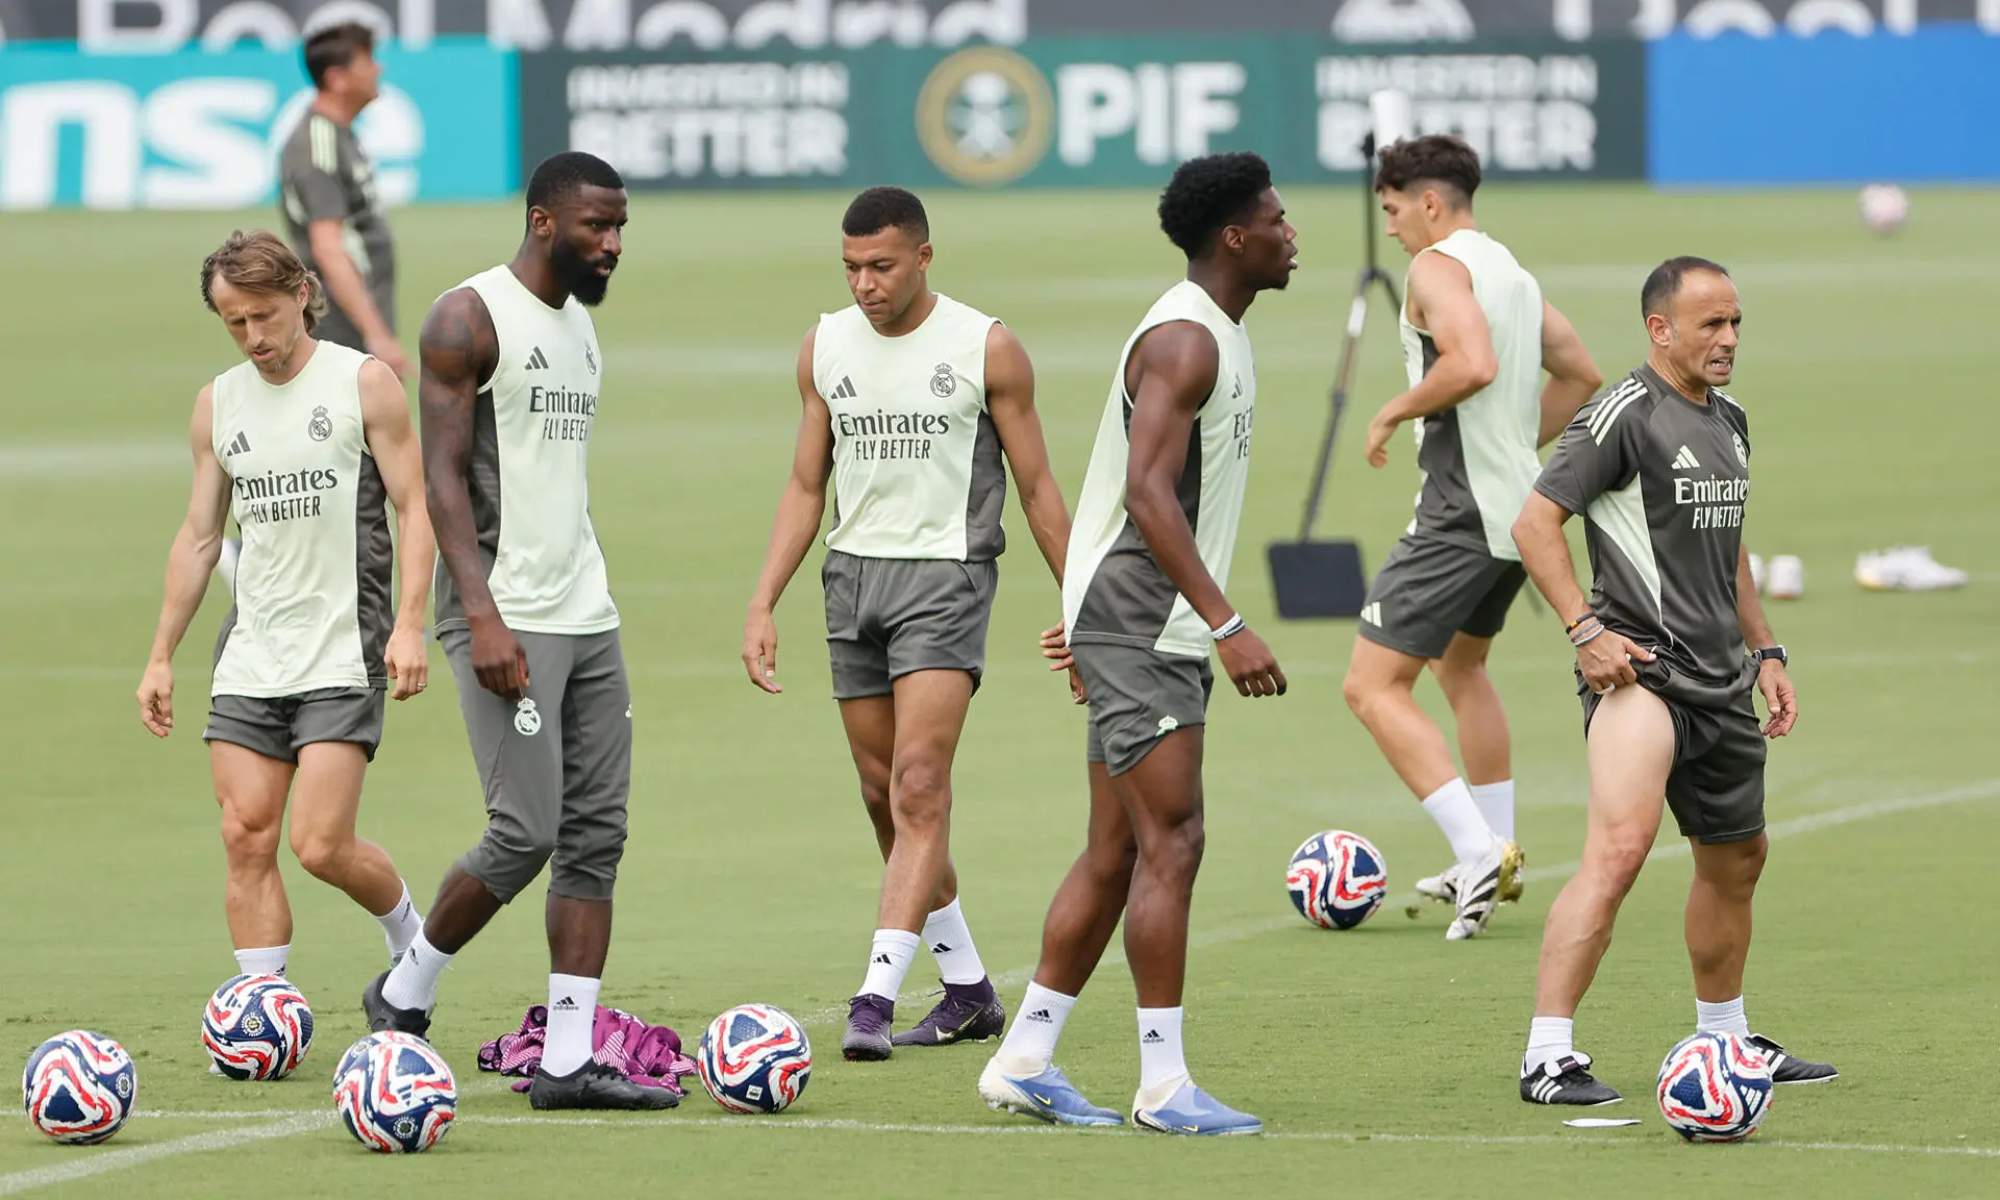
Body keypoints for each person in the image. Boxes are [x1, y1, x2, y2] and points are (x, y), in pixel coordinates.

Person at [977, 152, 1295, 1135]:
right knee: (1173, 840)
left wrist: (1088, 612)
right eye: (1276, 220)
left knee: (1116, 848)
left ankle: (1024, 1058)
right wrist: (1224, 621)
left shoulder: (1216, 334)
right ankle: (1161, 1085)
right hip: (1148, 621)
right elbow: (1147, 495)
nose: (1291, 234)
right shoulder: (1184, 343)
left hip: (1129, 616)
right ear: (1234, 237)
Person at [363, 152, 673, 1112]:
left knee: (596, 836)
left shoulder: (580, 328)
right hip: (506, 614)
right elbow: (442, 480)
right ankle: (404, 989)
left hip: (588, 610)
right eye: (596, 228)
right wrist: (481, 615)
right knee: (526, 829)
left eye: (620, 228)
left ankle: (569, 1060)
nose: (612, 246)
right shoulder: (468, 318)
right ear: (544, 222)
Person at [741, 186, 1074, 1060]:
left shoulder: (985, 346)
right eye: (851, 267)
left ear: (925, 256)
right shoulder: (824, 347)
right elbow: (807, 485)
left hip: (945, 577)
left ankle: (874, 999)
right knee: (882, 792)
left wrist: (1086, 604)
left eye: (881, 266)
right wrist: (762, 598)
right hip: (851, 582)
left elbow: (1038, 489)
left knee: (921, 785)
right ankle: (966, 987)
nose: (865, 284)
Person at [1511, 256, 1837, 1104]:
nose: (1728, 340)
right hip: (1641, 680)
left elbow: (1728, 552)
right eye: (1710, 325)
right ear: (1660, 330)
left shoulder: (1728, 419)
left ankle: (1725, 1037)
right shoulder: (1624, 413)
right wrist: (1585, 629)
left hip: (1723, 681)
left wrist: (1766, 652)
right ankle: (1547, 1054)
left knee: (1738, 860)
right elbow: (1533, 523)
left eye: (1735, 324)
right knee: (1618, 851)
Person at [137, 230, 431, 991]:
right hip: (252, 655)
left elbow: (416, 506)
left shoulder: (363, 384)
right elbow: (201, 538)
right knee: (245, 834)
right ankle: (262, 1010)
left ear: (302, 294)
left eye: (263, 315)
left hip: (343, 648)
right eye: (234, 323)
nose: (253, 337)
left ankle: (416, 948)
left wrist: (409, 623)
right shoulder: (218, 404)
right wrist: (162, 652)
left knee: (321, 844)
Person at [1341, 134, 1602, 940]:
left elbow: (1474, 363)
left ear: (1427, 202)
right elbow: (1583, 375)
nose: (1389, 230)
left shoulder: (1437, 267)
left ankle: (1475, 847)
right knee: (1463, 668)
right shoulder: (1513, 274)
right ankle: (1500, 850)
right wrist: (1520, 449)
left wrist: (1393, 408)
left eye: (1391, 211)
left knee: (1370, 687)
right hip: (1517, 514)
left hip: (1458, 512)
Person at [278, 21, 408, 380]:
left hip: (356, 327)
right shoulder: (318, 147)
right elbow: (329, 249)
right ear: (338, 78)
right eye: (368, 61)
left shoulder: (339, 134)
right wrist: (377, 334)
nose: (378, 68)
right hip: (340, 332)